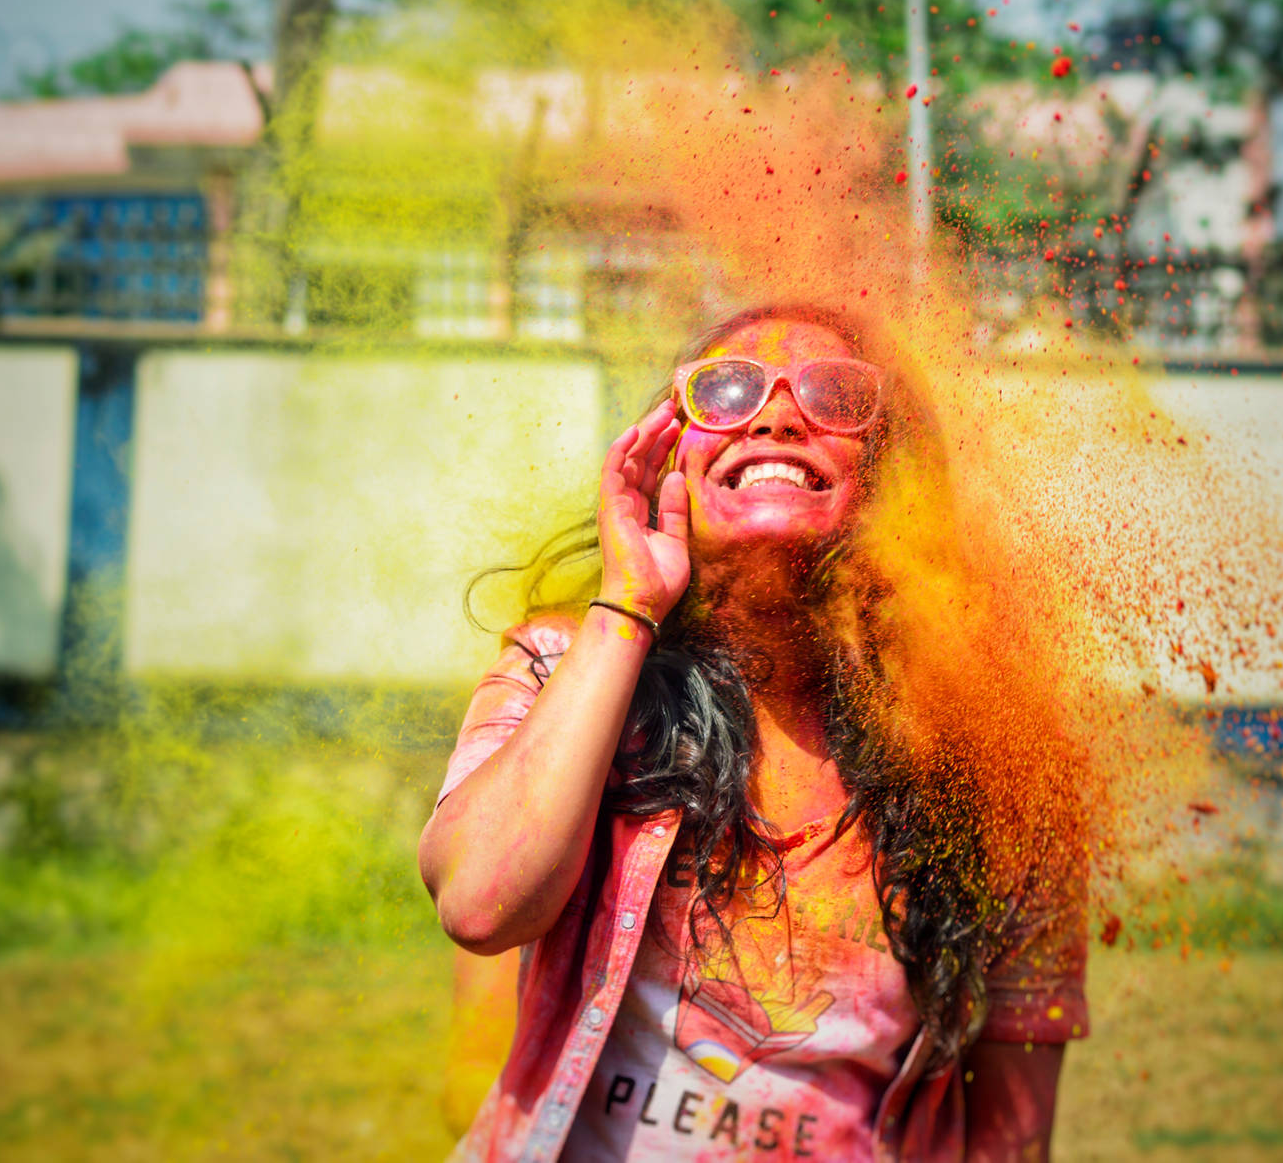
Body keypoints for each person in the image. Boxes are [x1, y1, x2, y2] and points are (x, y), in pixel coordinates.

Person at [420, 305, 1090, 1162]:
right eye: (727, 392)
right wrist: (627, 605)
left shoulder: (996, 768)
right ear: (673, 455)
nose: (775, 416)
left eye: (836, 394)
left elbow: (1011, 1137)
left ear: (893, 478)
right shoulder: (566, 666)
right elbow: (481, 903)